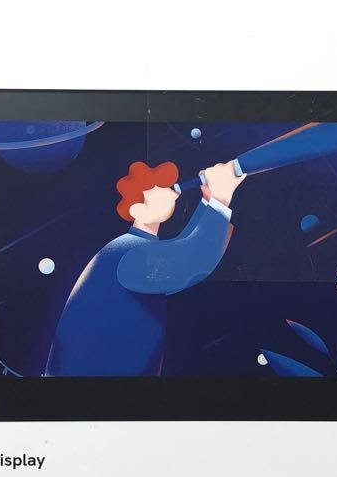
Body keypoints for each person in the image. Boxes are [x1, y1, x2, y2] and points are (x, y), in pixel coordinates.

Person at [45, 159, 246, 376]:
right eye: (158, 188)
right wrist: (220, 198)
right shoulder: (130, 253)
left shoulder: (133, 247)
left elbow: (182, 248)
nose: (172, 191)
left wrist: (209, 200)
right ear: (137, 209)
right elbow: (191, 262)